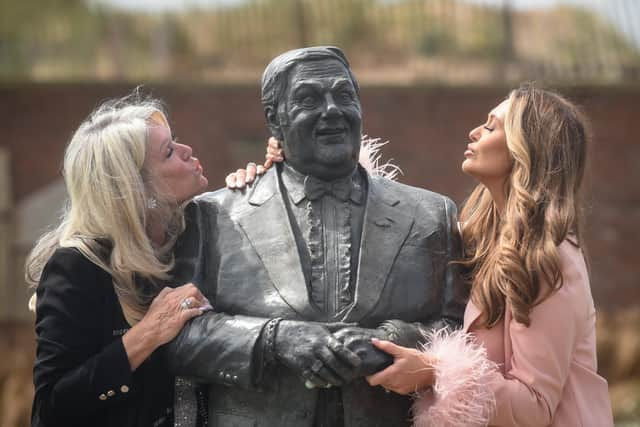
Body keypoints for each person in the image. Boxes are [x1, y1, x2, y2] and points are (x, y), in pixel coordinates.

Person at [165, 46, 467, 427]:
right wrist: (274, 340)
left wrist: (390, 341)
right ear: (275, 121)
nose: (331, 109)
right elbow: (177, 337)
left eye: (344, 95)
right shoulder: (213, 215)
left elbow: (463, 330)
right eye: (308, 99)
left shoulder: (431, 215)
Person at [359, 86, 613, 426]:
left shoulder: (549, 257)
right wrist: (297, 167)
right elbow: (402, 237)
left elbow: (533, 407)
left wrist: (435, 372)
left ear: (526, 150)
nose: (474, 132)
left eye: (491, 127)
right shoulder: (478, 235)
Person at [28, 94, 213, 427]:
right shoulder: (76, 267)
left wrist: (270, 169)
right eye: (169, 152)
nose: (187, 150)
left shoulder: (190, 237)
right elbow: (52, 406)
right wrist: (147, 334)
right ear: (136, 190)